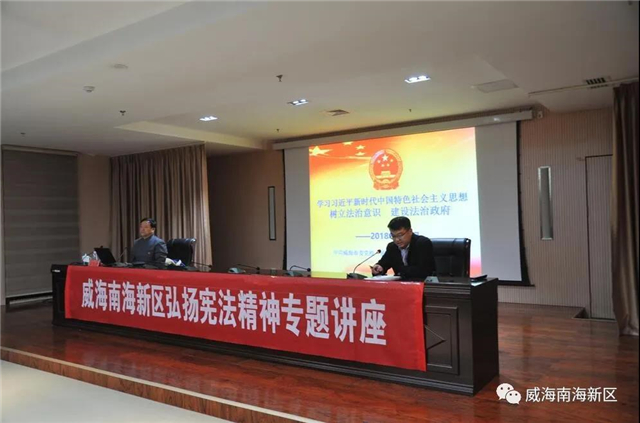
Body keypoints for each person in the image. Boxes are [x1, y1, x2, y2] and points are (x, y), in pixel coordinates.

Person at [371, 216, 436, 279]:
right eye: (393, 236)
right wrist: (379, 268)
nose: (397, 239)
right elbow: (383, 264)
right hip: (400, 285)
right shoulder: (392, 247)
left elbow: (423, 270)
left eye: (400, 235)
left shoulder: (422, 243)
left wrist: (400, 271)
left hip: (421, 284)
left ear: (410, 231)